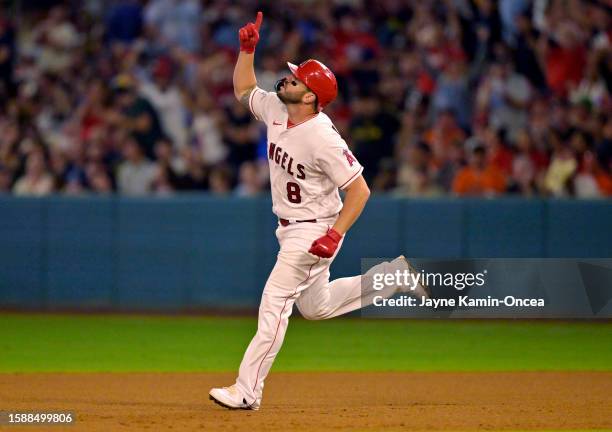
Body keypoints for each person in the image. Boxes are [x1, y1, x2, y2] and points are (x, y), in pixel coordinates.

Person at [208, 12, 429, 412]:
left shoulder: (324, 137)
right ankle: (394, 276)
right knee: (317, 306)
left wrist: (335, 234)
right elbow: (244, 90)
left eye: (297, 79)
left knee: (274, 303)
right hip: (291, 225)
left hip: (312, 230)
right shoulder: (277, 108)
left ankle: (247, 390)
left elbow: (360, 190)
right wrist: (247, 50)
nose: (287, 79)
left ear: (310, 97)